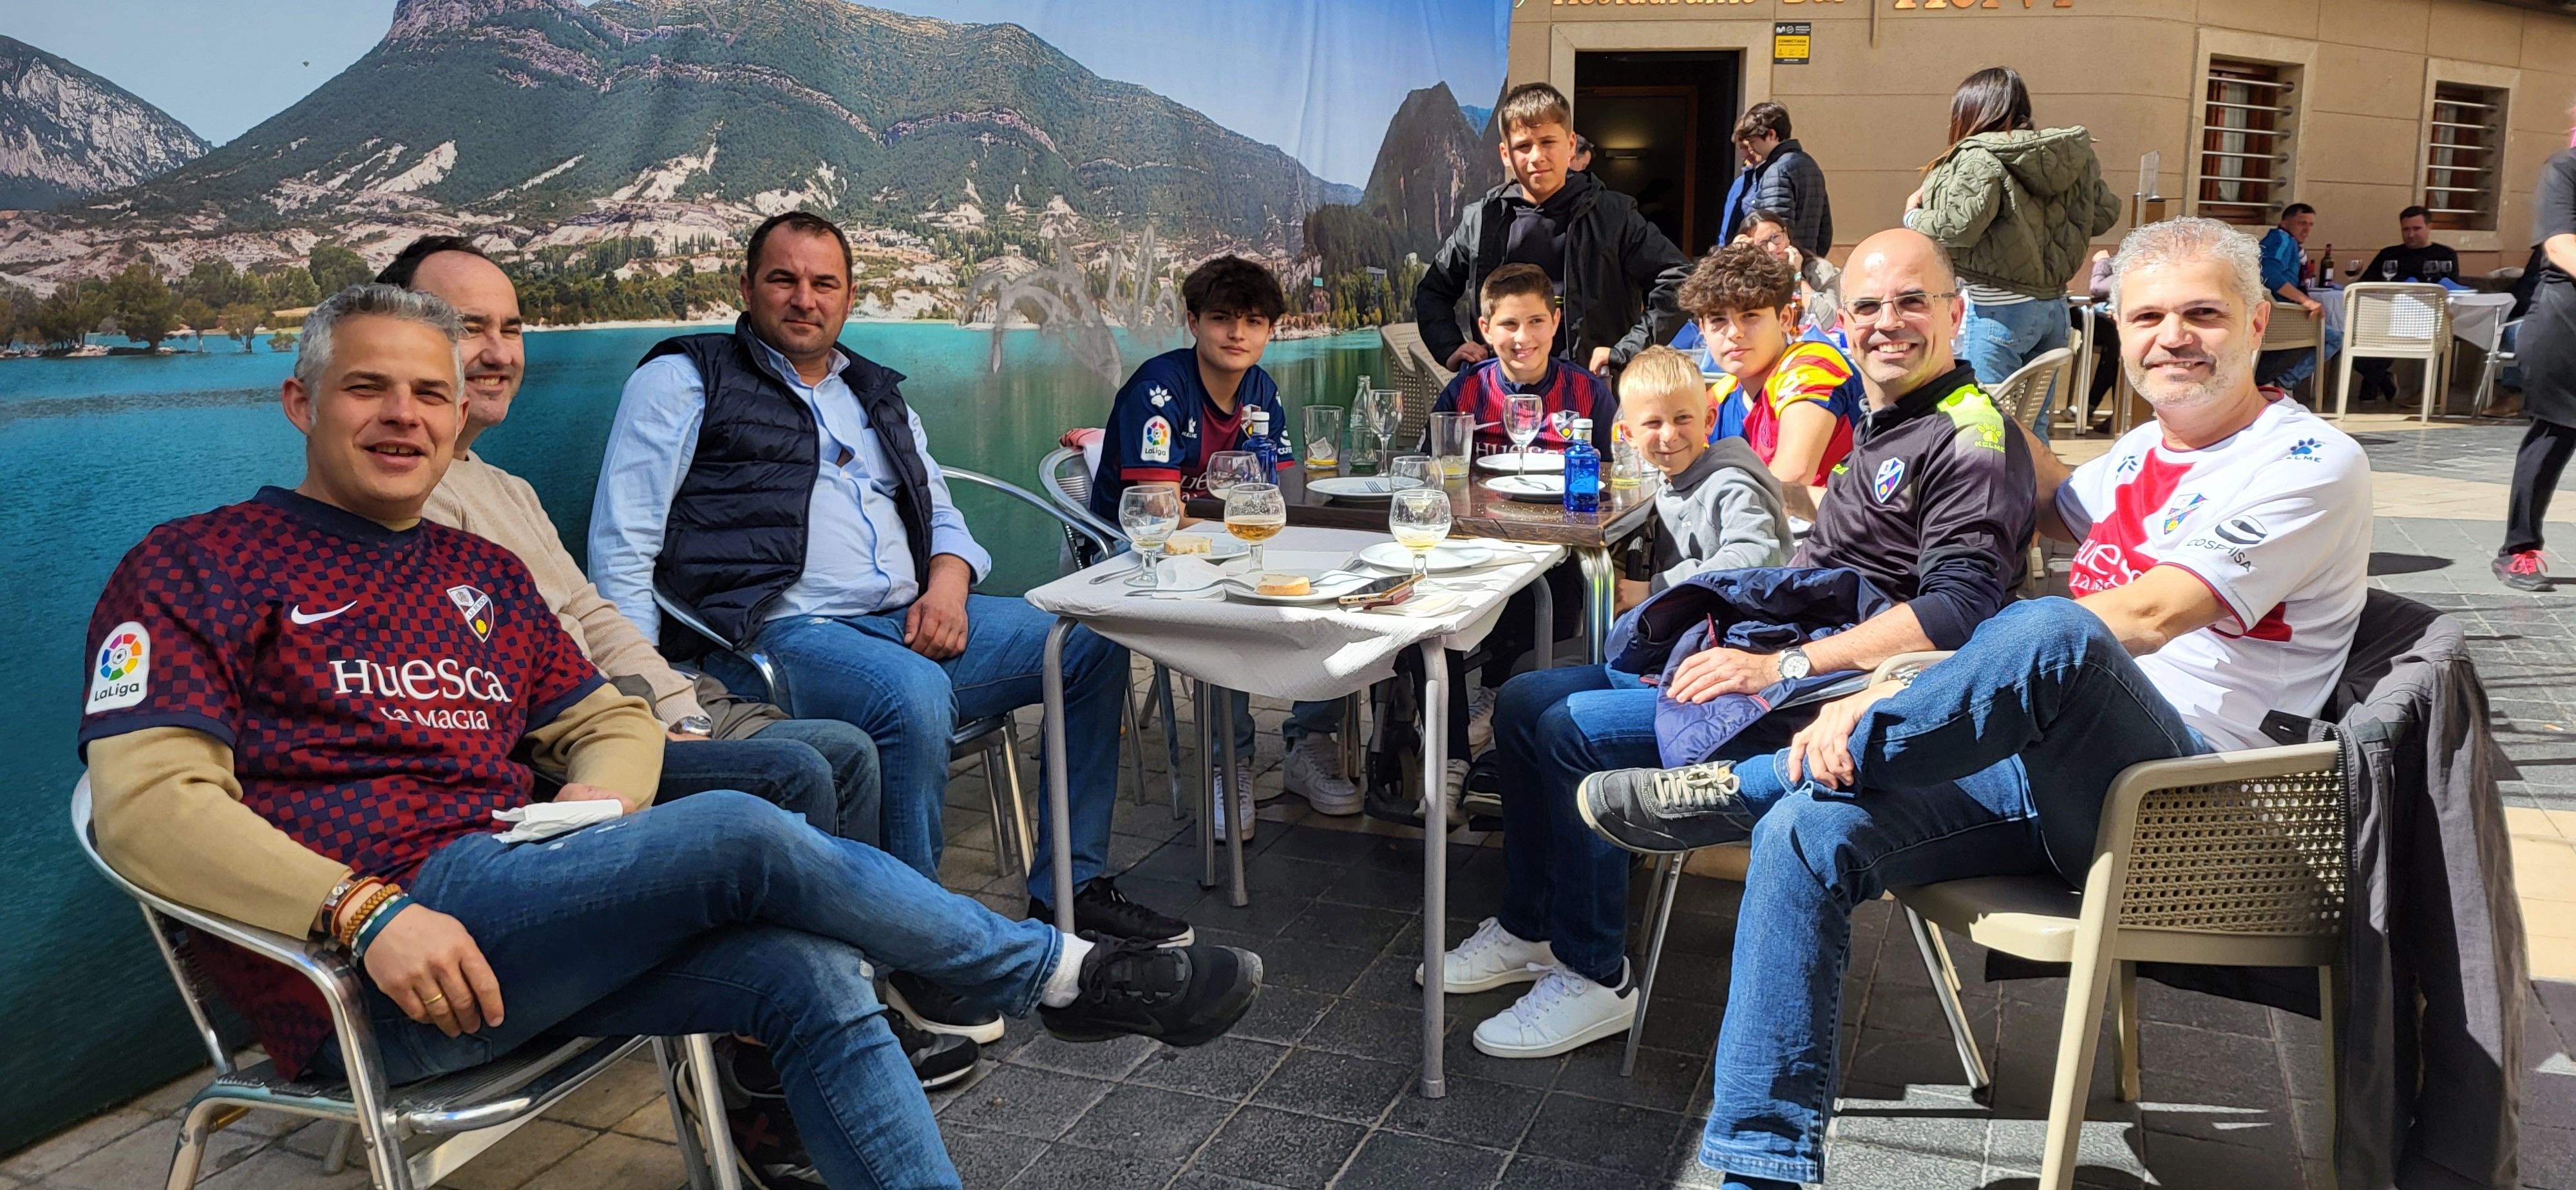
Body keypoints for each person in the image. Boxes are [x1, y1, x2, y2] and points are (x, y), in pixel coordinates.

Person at [78, 283, 1267, 1190]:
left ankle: (1020, 997)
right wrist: (363, 913)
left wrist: (600, 801)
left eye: (431, 394)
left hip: (519, 904)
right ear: (300, 402)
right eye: (367, 389)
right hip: (367, 970)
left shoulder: (477, 569)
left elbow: (601, 713)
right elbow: (147, 805)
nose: (405, 416)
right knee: (745, 828)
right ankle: (1052, 971)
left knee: (808, 974)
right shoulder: (200, 564)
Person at [1573, 217, 2370, 1190]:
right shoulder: (2135, 457)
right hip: (2045, 776)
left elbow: (2150, 614)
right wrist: (1940, 385)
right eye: (2146, 317)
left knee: (2053, 629)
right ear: (2117, 331)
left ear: (2256, 324)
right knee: (1806, 832)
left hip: (2190, 809)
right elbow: (2024, 474)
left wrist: (1895, 681)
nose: (2172, 337)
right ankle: (1758, 1169)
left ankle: (1751, 781)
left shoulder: (2309, 462)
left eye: (2201, 314)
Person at [377, 237, 988, 1129]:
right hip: (568, 756)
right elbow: (518, 676)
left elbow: (591, 616)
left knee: (845, 754)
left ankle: (846, 1000)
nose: (498, 352)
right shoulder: (412, 501)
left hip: (635, 707)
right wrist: (637, 722)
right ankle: (773, 1059)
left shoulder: (503, 487)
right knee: (805, 767)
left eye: (510, 328)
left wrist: (670, 701)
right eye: (469, 328)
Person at [1429, 229, 2031, 1061]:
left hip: (1832, 699)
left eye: (1910, 303)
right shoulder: (1892, 420)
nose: (1886, 323)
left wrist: (1781, 663)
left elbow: (1959, 611)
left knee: (1570, 732)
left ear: (1956, 314)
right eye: (1867, 307)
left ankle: (1593, 972)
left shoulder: (1966, 435)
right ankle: (1532, 925)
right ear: (1842, 322)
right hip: (1781, 655)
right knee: (1528, 698)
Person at [589, 211, 1195, 946]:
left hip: (905, 618)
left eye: (824, 284)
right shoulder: (684, 378)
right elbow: (623, 545)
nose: (804, 299)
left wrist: (948, 585)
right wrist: (653, 697)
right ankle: (918, 944)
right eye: (783, 280)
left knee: (1088, 642)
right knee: (911, 693)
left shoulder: (876, 393)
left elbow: (941, 512)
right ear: (746, 288)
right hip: (776, 636)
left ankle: (1070, 888)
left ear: (850, 297)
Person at [1082, 255, 1358, 824]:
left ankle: (1310, 742)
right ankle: (1227, 761)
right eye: (1222, 318)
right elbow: (1159, 511)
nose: (1237, 334)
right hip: (1132, 551)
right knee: (1225, 603)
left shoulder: (1261, 389)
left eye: (1253, 322)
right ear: (1193, 322)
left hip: (1225, 537)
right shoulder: (1159, 390)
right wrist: (1248, 525)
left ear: (1270, 331)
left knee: (1342, 585)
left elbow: (1282, 491)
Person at [1412, 82, 1692, 377]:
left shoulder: (1614, 216)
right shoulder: (1482, 221)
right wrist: (1450, 346)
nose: (1537, 156)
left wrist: (1627, 350)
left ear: (1570, 145)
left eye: (1548, 142)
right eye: (1523, 146)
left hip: (1591, 390)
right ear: (1505, 154)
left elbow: (1679, 279)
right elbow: (1433, 291)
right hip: (1501, 394)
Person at [1905, 66, 2119, 430]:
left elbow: (1957, 228)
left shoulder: (1978, 157)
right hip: (2054, 308)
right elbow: (2103, 214)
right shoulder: (2066, 155)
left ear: (1971, 111)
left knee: (1984, 425)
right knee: (2033, 424)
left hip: (1998, 308)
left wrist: (1913, 215)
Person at [1683, 242, 1862, 521]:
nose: (1734, 332)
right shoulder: (1719, 398)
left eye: (1750, 316)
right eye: (1718, 320)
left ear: (1785, 319)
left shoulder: (1812, 364)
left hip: (1843, 539)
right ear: (1703, 331)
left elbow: (1792, 477)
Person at [1615, 345, 1794, 610]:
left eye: (1682, 419)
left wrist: (1655, 588)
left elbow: (1756, 556)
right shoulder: (1668, 483)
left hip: (1747, 622)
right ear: (1629, 434)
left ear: (1709, 420)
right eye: (1653, 423)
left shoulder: (1730, 484)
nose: (1669, 435)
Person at [2498, 127, 2576, 591]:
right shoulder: (2565, 169)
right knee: (2555, 434)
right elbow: (2561, 245)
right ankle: (2518, 551)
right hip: (2566, 325)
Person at [2351, 206, 2465, 403]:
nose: (2411, 235)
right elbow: (2364, 285)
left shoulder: (2444, 255)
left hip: (2429, 318)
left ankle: (2380, 381)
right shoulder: (2389, 254)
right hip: (2384, 316)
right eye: (2406, 229)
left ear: (2429, 227)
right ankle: (2380, 378)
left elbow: (2449, 289)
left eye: (2416, 229)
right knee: (2351, 335)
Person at [1732, 102, 1833, 259]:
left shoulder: (1777, 171)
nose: (1751, 149)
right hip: (1805, 260)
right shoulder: (1810, 164)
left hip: (1782, 264)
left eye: (1753, 141)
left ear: (1771, 135)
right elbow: (1825, 231)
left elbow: (1771, 233)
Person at [2255, 202, 2338, 392]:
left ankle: (2276, 380)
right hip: (2282, 316)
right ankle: (2285, 382)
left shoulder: (2291, 244)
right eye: (2302, 223)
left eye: (2311, 224)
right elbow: (2269, 274)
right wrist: (2306, 301)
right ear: (2285, 223)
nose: (2307, 229)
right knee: (2334, 339)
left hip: (2280, 316)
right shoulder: (2282, 238)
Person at [1738, 207, 1844, 341]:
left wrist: (1797, 276)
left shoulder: (1820, 270)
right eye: (1762, 244)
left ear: (1787, 236)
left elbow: (1828, 321)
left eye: (1776, 237)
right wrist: (1738, 260)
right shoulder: (1749, 278)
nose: (1773, 248)